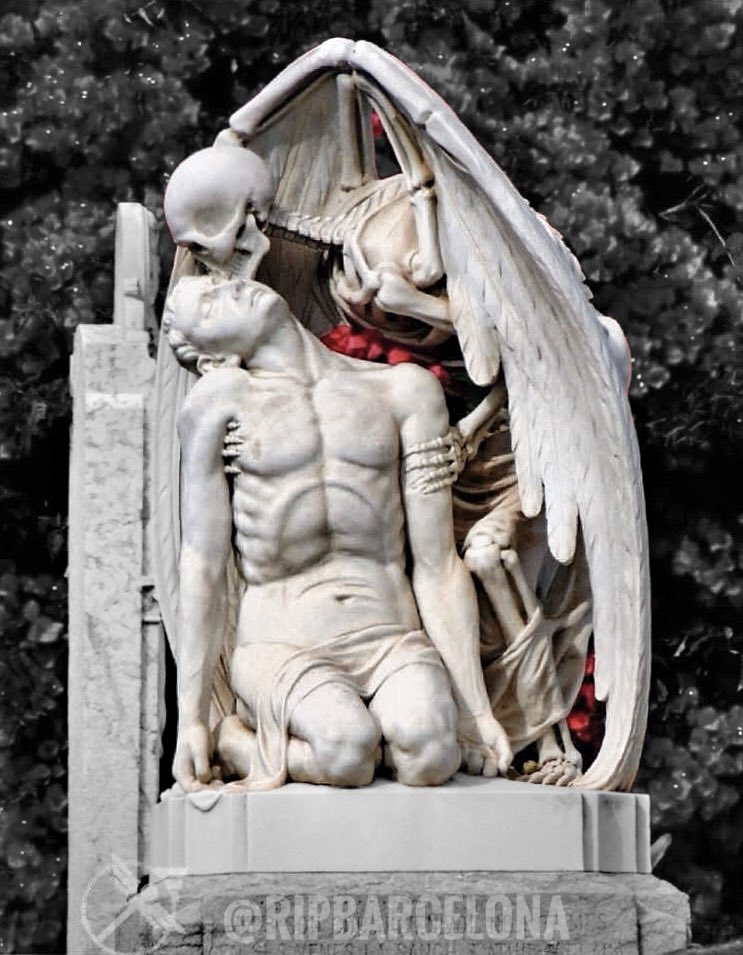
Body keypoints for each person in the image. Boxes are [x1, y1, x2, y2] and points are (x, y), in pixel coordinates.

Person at [164, 275, 512, 792]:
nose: (234, 290)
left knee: (432, 755)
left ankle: (371, 740)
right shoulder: (219, 404)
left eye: (224, 283)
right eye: (211, 308)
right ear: (214, 359)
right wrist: (191, 718)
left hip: (389, 635)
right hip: (283, 640)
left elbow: (437, 564)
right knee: (345, 753)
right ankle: (236, 740)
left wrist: (477, 713)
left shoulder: (405, 390)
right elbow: (202, 563)